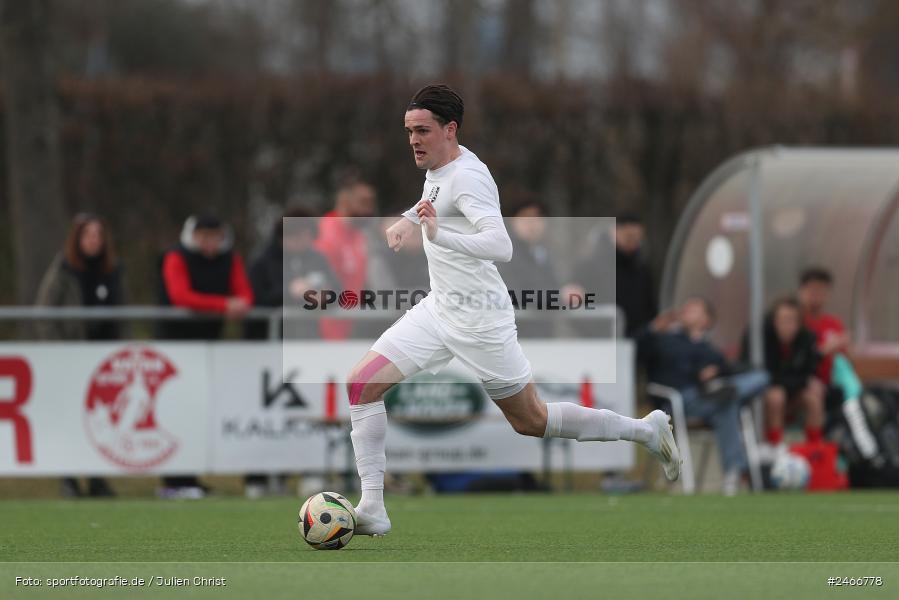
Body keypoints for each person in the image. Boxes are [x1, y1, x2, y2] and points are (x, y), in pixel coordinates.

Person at [345, 84, 681, 536]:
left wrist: (438, 235)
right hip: (439, 309)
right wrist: (410, 219)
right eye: (408, 132)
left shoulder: (469, 178)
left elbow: (499, 245)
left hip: (481, 319)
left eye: (422, 131)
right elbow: (434, 201)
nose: (413, 141)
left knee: (531, 420)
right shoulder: (442, 167)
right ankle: (372, 508)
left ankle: (645, 430)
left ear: (450, 130)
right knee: (361, 384)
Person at [158, 214, 254, 498]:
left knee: (199, 412)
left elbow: (246, 295)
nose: (210, 242)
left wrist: (231, 304)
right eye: (203, 235)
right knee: (176, 411)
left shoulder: (229, 259)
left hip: (209, 345)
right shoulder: (175, 257)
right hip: (176, 346)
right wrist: (224, 305)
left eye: (215, 235)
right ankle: (173, 479)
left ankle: (189, 478)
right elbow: (181, 296)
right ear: (192, 236)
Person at [637, 297, 769, 495]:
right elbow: (634, 352)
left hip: (707, 399)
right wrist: (652, 328)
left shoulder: (706, 348)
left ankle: (732, 475)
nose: (686, 309)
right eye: (686, 306)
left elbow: (729, 367)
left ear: (706, 321)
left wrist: (716, 371)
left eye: (695, 309)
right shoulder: (664, 338)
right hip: (677, 401)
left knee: (756, 381)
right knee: (727, 398)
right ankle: (734, 471)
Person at [35, 213, 121, 498]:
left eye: (98, 235)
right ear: (78, 239)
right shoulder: (63, 269)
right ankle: (69, 478)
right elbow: (44, 314)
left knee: (100, 421)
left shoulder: (111, 270)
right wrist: (60, 350)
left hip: (103, 359)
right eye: (89, 235)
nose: (94, 241)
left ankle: (97, 478)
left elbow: (123, 313)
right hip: (71, 359)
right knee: (70, 419)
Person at [797, 267, 878, 460]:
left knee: (842, 366)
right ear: (801, 292)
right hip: (802, 383)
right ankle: (817, 452)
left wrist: (846, 348)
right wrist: (827, 348)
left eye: (821, 291)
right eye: (812, 290)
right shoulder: (797, 323)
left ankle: (859, 410)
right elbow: (800, 359)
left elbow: (847, 359)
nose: (816, 296)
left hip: (832, 388)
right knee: (816, 398)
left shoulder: (833, 324)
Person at [747, 297, 825, 458]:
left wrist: (803, 381)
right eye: (783, 320)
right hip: (762, 399)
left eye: (792, 321)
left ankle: (814, 451)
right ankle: (776, 450)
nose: (787, 326)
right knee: (777, 395)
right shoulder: (758, 338)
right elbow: (764, 376)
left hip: (794, 395)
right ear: (774, 321)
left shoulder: (807, 338)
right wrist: (801, 381)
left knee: (814, 397)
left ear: (799, 323)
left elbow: (809, 372)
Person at [244, 207, 337, 341]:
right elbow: (255, 298)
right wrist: (290, 292)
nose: (305, 241)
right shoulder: (263, 261)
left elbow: (338, 290)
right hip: (266, 340)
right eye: (299, 236)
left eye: (308, 235)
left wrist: (325, 297)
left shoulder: (318, 258)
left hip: (307, 338)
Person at [567, 213, 656, 337]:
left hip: (636, 341)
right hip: (598, 341)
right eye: (629, 236)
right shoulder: (590, 266)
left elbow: (649, 308)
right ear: (614, 233)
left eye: (637, 237)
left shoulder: (642, 269)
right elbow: (576, 307)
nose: (633, 242)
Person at [314, 173, 376, 339]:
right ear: (344, 201)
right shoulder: (326, 232)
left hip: (352, 326)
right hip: (326, 329)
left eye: (371, 203)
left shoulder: (360, 235)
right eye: (363, 202)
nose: (369, 210)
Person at [497, 201, 559, 338]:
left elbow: (553, 285)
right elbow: (516, 296)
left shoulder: (543, 255)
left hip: (541, 337)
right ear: (513, 221)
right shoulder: (503, 254)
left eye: (538, 218)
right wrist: (560, 297)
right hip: (513, 338)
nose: (532, 223)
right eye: (525, 217)